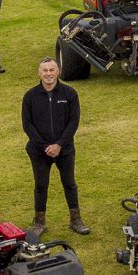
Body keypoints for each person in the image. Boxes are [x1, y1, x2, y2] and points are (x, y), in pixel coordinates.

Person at [21, 58, 88, 236]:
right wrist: (45, 147)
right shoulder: (30, 96)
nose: (49, 74)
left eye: (52, 70)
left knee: (69, 184)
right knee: (40, 186)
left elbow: (74, 122)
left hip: (65, 149)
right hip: (39, 151)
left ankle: (76, 220)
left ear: (57, 71)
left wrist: (59, 145)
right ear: (39, 73)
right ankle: (39, 223)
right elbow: (27, 125)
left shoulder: (70, 94)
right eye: (45, 70)